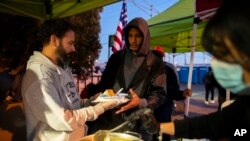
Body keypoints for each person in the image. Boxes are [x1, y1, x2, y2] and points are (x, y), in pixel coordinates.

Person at [159, 0, 250, 140]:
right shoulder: (244, 104)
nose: (216, 62)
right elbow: (210, 125)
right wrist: (158, 127)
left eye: (225, 53)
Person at [21, 19, 123, 141]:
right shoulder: (39, 76)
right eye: (70, 43)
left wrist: (92, 101)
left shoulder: (63, 69)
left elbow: (74, 104)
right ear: (54, 40)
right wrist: (100, 108)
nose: (73, 48)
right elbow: (63, 119)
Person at [85, 17, 167, 141]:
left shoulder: (155, 62)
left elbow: (159, 94)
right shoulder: (116, 57)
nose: (133, 40)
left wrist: (140, 102)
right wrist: (99, 95)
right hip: (111, 121)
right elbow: (105, 85)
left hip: (139, 123)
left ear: (145, 37)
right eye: (130, 35)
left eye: (138, 36)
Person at [152, 46, 192, 141]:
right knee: (152, 132)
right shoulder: (148, 70)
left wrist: (181, 94)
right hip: (151, 107)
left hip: (164, 107)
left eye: (159, 56)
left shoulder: (169, 70)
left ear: (162, 56)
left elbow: (174, 89)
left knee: (164, 131)